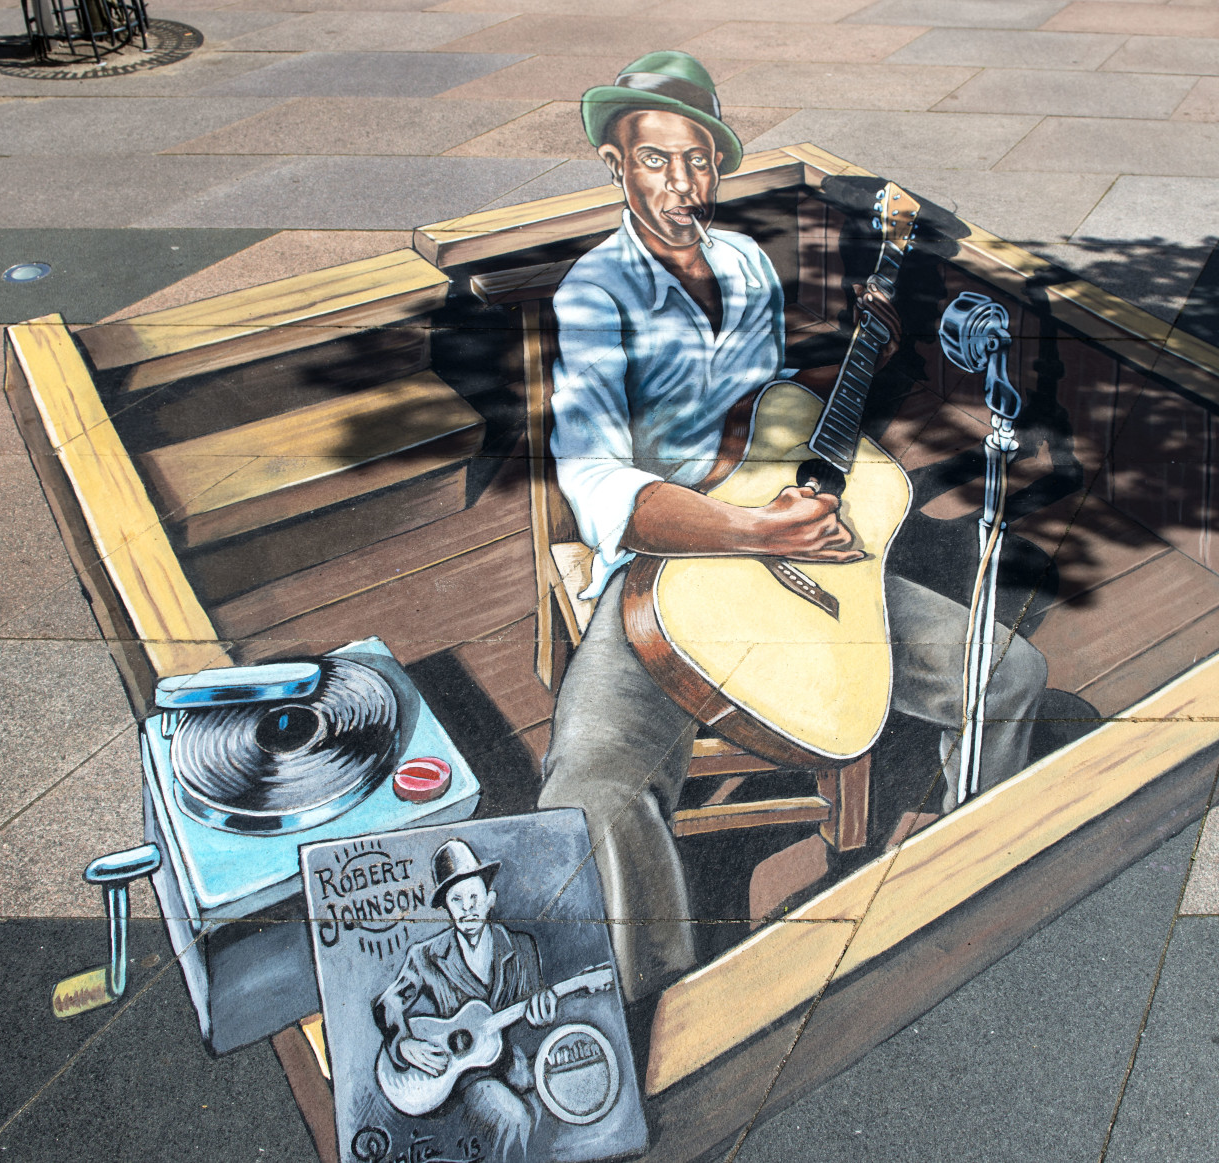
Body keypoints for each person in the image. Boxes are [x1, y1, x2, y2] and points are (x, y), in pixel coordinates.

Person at [536, 51, 1051, 1004]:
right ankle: (666, 1014)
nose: (682, 185)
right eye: (656, 161)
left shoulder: (743, 266)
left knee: (1007, 673)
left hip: (797, 548)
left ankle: (967, 879)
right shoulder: (594, 296)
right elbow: (598, 480)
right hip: (673, 569)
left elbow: (767, 419)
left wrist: (860, 361)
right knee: (590, 795)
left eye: (699, 161)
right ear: (615, 163)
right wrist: (756, 532)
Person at [374, 840, 559, 1159]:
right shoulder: (426, 957)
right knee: (515, 1119)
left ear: (490, 900)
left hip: (519, 1065)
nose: (467, 908)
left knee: (551, 1108)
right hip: (467, 1076)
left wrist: (542, 1017)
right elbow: (387, 1004)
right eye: (457, 900)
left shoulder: (521, 947)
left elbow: (532, 1023)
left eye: (474, 897)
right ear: (446, 907)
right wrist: (403, 1044)